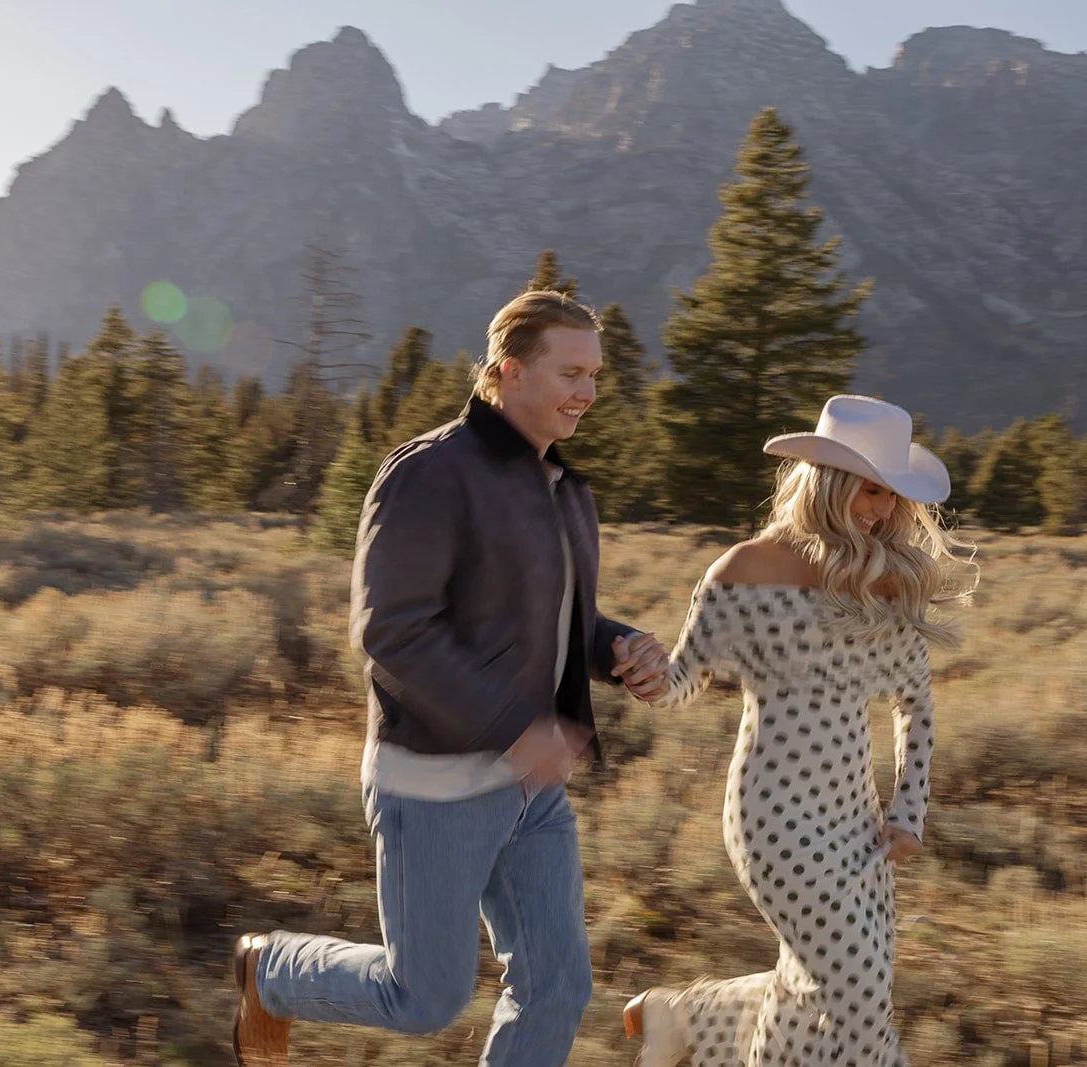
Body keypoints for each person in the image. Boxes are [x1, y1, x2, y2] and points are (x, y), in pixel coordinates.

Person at [230, 290, 671, 1066]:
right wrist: (517, 727)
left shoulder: (565, 490)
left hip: (532, 791)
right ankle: (273, 971)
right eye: (571, 372)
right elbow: (393, 631)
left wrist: (621, 648)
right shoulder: (430, 472)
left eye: (596, 375)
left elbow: (562, 619)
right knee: (424, 997)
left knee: (558, 986)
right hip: (437, 785)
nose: (588, 393)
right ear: (508, 372)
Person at [621, 394, 975, 1067]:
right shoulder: (741, 571)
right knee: (856, 985)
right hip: (773, 815)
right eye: (871, 490)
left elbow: (915, 705)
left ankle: (682, 1015)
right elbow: (680, 684)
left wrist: (909, 810)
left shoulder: (883, 584)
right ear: (829, 481)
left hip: (855, 818)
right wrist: (636, 668)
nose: (881, 511)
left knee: (828, 981)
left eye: (893, 497)